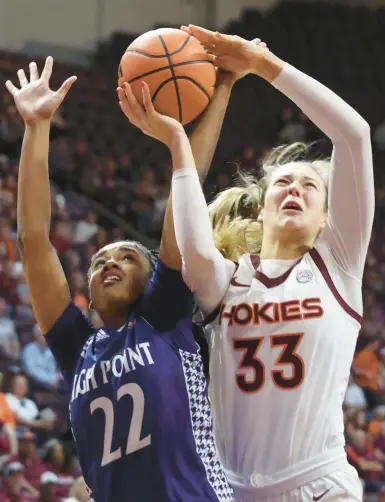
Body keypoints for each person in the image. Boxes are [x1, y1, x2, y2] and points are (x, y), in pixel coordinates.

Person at [5, 54, 252, 502]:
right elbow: (34, 240)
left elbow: (186, 188)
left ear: (153, 275)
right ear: (89, 296)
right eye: (99, 262)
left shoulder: (164, 316)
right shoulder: (76, 346)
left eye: (126, 258)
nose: (110, 264)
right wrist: (36, 128)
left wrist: (222, 89)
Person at [168, 25, 373, 501]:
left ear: (328, 217)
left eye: (309, 185)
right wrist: (180, 146)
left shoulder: (338, 265)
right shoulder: (228, 279)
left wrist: (266, 66)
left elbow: (354, 135)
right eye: (282, 183)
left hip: (319, 485)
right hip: (230, 490)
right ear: (261, 208)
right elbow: (194, 250)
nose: (294, 189)